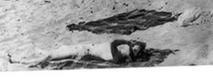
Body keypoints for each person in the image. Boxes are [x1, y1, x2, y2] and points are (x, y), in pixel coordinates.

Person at [10, 39, 149, 66]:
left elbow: (114, 42)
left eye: (131, 49)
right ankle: (36, 50)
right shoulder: (117, 53)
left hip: (79, 52)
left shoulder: (115, 56)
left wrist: (129, 45)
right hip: (80, 48)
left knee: (50, 56)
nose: (126, 47)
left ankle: (18, 60)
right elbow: (116, 43)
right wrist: (131, 46)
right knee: (53, 53)